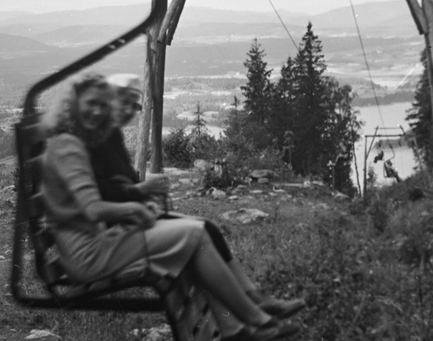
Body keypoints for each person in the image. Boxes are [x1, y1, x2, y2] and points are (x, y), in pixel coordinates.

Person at [39, 73, 299, 341]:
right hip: (89, 254)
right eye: (91, 103)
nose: (99, 111)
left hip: (93, 242)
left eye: (103, 105)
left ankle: (238, 329)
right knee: (196, 234)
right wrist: (136, 205)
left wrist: (135, 199)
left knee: (198, 235)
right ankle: (254, 319)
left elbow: (96, 196)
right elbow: (93, 206)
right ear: (72, 104)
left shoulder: (73, 141)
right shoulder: (69, 146)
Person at [93, 74, 307, 322]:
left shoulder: (111, 134)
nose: (130, 111)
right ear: (109, 100)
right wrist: (140, 192)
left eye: (134, 105)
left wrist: (143, 194)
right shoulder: (98, 138)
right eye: (126, 103)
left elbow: (125, 182)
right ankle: (249, 314)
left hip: (130, 217)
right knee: (200, 237)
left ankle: (248, 307)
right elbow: (100, 192)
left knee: (209, 231)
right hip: (118, 227)